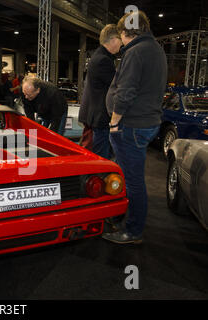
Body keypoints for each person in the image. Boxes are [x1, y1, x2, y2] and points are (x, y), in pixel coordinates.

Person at [102, 10, 167, 244]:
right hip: (145, 123)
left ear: (126, 32)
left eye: (122, 35)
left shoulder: (136, 51)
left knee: (133, 181)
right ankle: (122, 219)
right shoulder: (156, 50)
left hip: (130, 125)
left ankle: (133, 230)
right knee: (127, 176)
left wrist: (114, 121)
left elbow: (126, 92)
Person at [78, 24, 122, 158]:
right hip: (99, 116)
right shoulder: (104, 60)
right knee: (100, 158)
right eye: (120, 40)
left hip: (95, 115)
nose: (122, 44)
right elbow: (116, 86)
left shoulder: (99, 56)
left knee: (96, 154)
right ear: (114, 39)